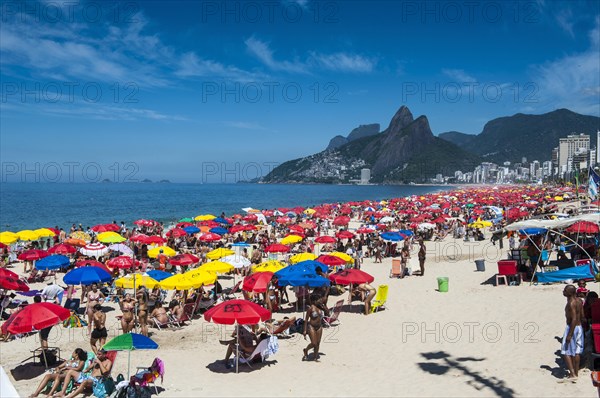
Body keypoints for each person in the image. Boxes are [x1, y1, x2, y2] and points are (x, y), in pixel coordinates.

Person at [560, 284, 584, 382]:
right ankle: (576, 372)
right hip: (579, 327)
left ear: (569, 293)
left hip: (572, 327)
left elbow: (573, 319)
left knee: (566, 351)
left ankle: (572, 374)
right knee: (577, 351)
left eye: (565, 290)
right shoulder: (579, 301)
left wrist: (570, 334)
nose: (563, 291)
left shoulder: (571, 303)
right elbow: (582, 315)